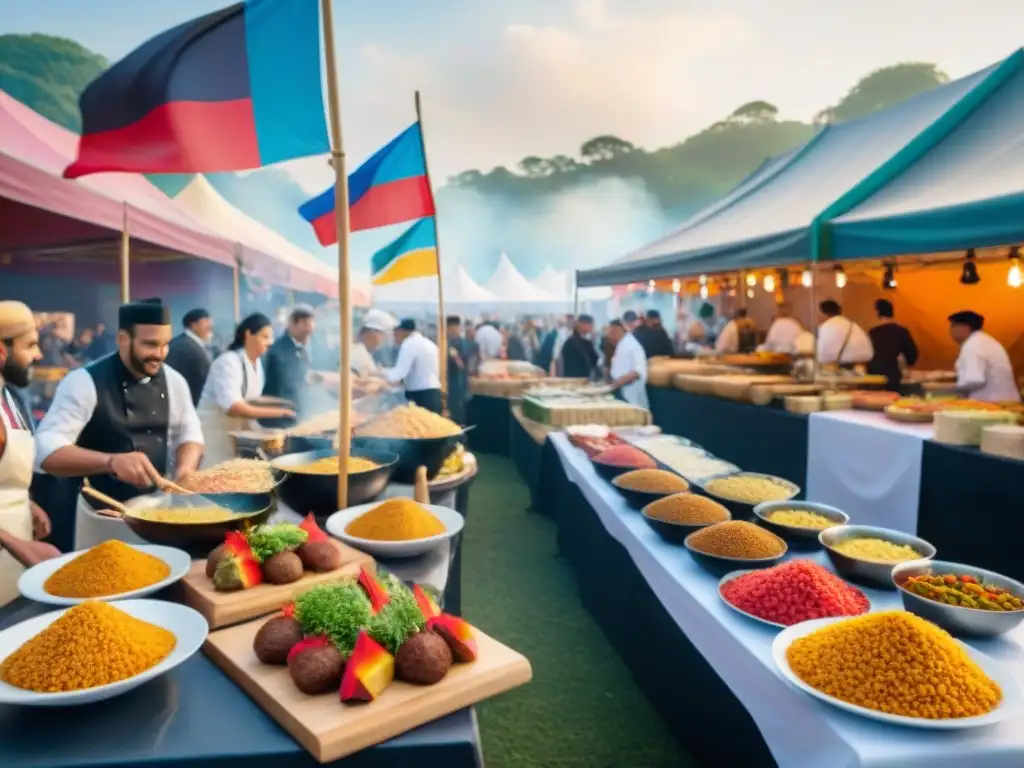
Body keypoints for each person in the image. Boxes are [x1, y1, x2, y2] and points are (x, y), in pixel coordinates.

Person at [34, 300, 206, 548]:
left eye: (165, 344)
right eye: (150, 344)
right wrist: (111, 461)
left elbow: (190, 432)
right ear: (123, 339)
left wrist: (185, 472)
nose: (160, 354)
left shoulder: (174, 380)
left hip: (155, 512)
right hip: (100, 517)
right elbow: (44, 450)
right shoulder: (83, 381)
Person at [0, 304, 59, 603]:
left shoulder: (11, 397)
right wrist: (14, 543)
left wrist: (29, 503)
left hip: (15, 560)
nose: (39, 354)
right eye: (30, 345)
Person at [198, 313, 294, 466]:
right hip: (214, 434)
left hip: (235, 434)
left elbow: (252, 398)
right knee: (214, 479)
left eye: (271, 337)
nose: (270, 342)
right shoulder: (228, 362)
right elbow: (233, 407)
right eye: (265, 336)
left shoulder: (255, 363)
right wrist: (279, 412)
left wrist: (285, 404)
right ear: (248, 334)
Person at [948, 311, 1020, 402]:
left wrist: (940, 388)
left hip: (992, 404)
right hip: (1005, 400)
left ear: (965, 327)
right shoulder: (985, 340)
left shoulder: (973, 345)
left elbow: (974, 379)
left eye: (953, 326)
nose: (950, 331)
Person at [263, 306, 316, 421]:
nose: (310, 330)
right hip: (280, 417)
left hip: (296, 413)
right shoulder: (279, 351)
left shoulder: (301, 348)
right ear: (293, 324)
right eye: (306, 325)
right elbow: (287, 386)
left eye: (311, 325)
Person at [382, 318, 443, 414]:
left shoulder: (409, 344)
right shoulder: (428, 343)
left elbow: (399, 374)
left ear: (401, 331)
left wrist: (379, 374)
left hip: (420, 397)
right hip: (434, 394)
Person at [165, 308, 215, 405]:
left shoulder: (189, 343)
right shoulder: (184, 346)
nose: (210, 326)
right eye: (205, 322)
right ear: (193, 325)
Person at [867, 299, 919, 391]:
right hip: (893, 376)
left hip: (873, 377)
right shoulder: (902, 332)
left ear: (878, 312)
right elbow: (913, 356)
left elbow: (867, 355)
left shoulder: (872, 333)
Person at [816, 300, 873, 368]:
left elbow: (822, 353)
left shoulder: (826, 327)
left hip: (838, 367)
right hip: (861, 365)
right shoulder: (853, 325)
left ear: (823, 313)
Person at [607, 318, 649, 408]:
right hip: (620, 391)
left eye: (612, 333)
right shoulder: (621, 344)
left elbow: (637, 372)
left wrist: (617, 383)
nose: (610, 336)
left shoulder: (632, 345)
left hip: (630, 394)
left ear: (619, 330)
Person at [351, 309, 396, 376]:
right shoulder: (358, 353)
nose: (385, 338)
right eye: (383, 333)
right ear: (372, 332)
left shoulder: (363, 350)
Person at [558, 314, 599, 379]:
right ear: (583, 324)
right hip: (580, 380)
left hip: (570, 378)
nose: (592, 327)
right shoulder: (584, 343)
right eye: (591, 324)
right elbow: (594, 360)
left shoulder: (570, 341)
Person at [446, 316, 468, 424]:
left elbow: (461, 365)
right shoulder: (446, 342)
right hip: (451, 384)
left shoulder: (460, 343)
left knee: (457, 413)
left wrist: (455, 357)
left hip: (457, 384)